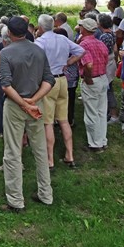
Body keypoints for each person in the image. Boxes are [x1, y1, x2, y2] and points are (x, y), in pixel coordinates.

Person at [0, 16, 55, 212]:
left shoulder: (6, 53)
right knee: (40, 150)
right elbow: (49, 80)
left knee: (13, 151)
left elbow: (5, 85)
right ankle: (46, 194)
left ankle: (15, 199)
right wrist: (33, 101)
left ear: (10, 33)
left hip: (16, 106)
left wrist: (25, 103)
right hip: (36, 104)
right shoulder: (39, 51)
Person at [35, 14, 85, 169]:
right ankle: (69, 154)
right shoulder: (62, 38)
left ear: (41, 27)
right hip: (63, 80)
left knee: (48, 122)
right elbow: (81, 50)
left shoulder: (40, 42)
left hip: (48, 82)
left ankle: (50, 159)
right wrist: (68, 62)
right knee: (63, 119)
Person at [78, 18, 109, 151]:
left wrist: (88, 77)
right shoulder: (100, 43)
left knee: (91, 112)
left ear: (84, 29)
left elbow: (88, 64)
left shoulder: (84, 45)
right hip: (102, 78)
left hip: (92, 80)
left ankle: (95, 143)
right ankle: (102, 139)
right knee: (101, 111)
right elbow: (106, 59)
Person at [98, 13, 118, 124]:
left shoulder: (104, 36)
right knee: (109, 88)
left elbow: (102, 53)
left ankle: (113, 114)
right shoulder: (112, 33)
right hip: (111, 62)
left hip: (106, 64)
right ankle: (110, 112)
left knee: (108, 90)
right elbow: (115, 50)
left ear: (100, 23)